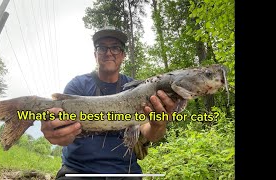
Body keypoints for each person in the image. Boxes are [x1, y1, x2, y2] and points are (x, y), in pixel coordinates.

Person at [41, 26, 177, 180]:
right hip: (78, 171)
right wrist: (56, 133)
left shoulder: (137, 88)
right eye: (102, 48)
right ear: (95, 54)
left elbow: (151, 134)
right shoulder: (77, 86)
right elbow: (63, 134)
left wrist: (158, 124)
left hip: (126, 172)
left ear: (123, 55)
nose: (108, 52)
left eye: (115, 48)